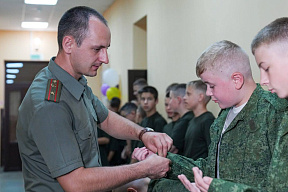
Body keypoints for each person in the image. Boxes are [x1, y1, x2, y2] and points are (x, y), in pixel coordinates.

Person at [16, 6, 172, 192]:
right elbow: (76, 183)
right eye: (97, 49)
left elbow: (105, 118)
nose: (105, 58)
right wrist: (143, 169)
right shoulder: (50, 104)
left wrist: (143, 134)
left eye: (106, 49)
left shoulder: (75, 82)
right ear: (68, 44)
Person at [147, 40, 288, 192]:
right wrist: (166, 160)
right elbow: (212, 168)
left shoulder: (275, 112)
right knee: (158, 185)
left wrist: (214, 188)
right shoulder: (224, 115)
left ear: (237, 80)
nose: (208, 92)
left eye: (211, 86)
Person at [182, 80, 215, 159]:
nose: (184, 98)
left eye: (188, 94)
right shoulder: (192, 120)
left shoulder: (208, 120)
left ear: (200, 97)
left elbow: (212, 150)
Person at [169, 84, 194, 154]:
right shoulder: (192, 117)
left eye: (171, 98)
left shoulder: (184, 121)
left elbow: (172, 149)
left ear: (179, 100)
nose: (169, 102)